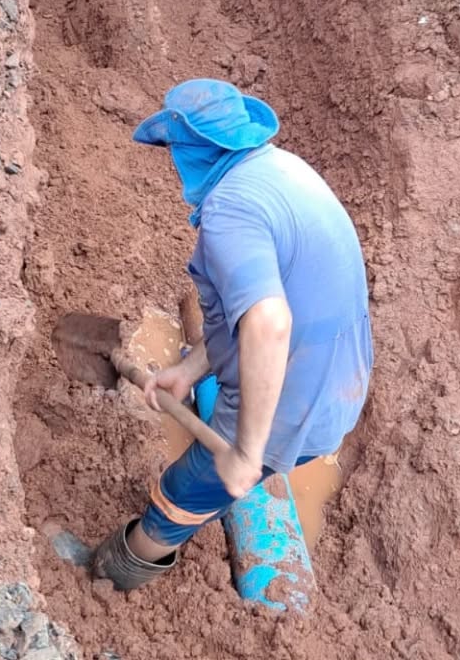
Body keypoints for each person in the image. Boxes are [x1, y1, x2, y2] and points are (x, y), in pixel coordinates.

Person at [92, 79, 373, 590]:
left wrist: (245, 452)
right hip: (339, 383)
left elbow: (267, 323)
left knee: (186, 490)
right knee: (228, 464)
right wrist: (188, 369)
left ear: (194, 152)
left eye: (176, 151)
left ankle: (110, 573)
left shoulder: (229, 213)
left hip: (295, 399)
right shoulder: (284, 170)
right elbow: (249, 313)